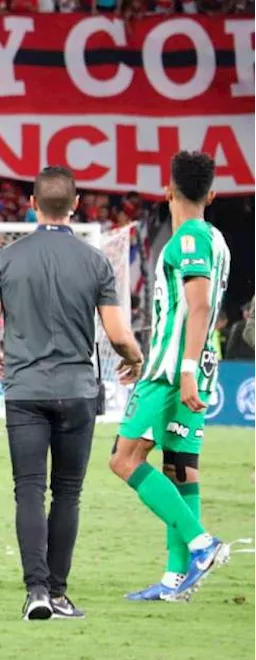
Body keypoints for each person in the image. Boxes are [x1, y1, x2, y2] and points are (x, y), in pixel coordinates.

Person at [0, 165, 144, 621]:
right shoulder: (95, 262)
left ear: (31, 205)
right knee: (67, 492)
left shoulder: (7, 258)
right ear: (75, 205)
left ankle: (36, 593)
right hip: (76, 391)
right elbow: (118, 334)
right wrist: (136, 358)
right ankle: (60, 592)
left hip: (24, 390)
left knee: (28, 489)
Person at [110, 151, 232, 603]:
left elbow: (198, 308)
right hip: (191, 365)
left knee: (124, 460)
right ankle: (176, 579)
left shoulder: (188, 238)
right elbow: (184, 312)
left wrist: (179, 368)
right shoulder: (216, 238)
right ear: (212, 194)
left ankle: (201, 544)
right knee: (180, 468)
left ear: (168, 190)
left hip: (174, 370)